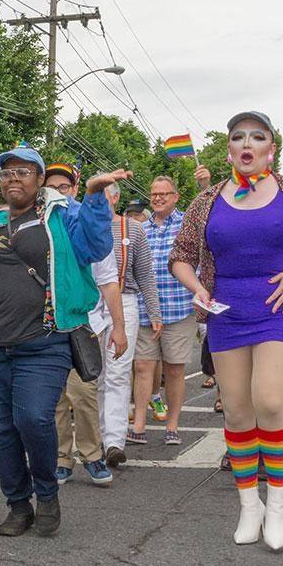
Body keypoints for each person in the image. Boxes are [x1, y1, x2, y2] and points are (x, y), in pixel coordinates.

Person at [170, 111, 283, 549]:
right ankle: (250, 504)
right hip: (227, 310)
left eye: (257, 136)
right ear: (229, 148)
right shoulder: (207, 201)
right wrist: (196, 288)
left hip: (279, 307)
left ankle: (278, 504)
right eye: (238, 136)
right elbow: (181, 255)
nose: (247, 143)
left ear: (270, 148)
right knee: (239, 412)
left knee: (269, 398)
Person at [0, 145, 117, 537]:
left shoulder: (61, 215)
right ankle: (18, 504)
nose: (14, 178)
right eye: (7, 172)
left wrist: (92, 196)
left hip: (44, 341)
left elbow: (95, 246)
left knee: (34, 418)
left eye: (24, 171)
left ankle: (47, 493)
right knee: (2, 429)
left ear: (39, 181)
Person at [42, 164, 126, 485]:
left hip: (84, 325)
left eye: (64, 186)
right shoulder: (40, 225)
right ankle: (62, 458)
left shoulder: (86, 223)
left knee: (83, 393)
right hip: (48, 325)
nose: (57, 192)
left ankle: (92, 455)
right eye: (50, 186)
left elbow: (108, 283)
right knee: (56, 398)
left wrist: (118, 327)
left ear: (75, 189)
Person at [96, 182, 160, 467]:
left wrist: (154, 312)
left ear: (115, 197)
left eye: (102, 195)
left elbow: (145, 273)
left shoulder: (132, 229)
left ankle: (114, 441)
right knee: (92, 375)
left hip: (125, 301)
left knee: (119, 372)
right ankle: (96, 435)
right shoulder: (79, 228)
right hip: (88, 304)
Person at [128, 176, 195, 446]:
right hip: (145, 308)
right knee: (143, 366)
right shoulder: (141, 228)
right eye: (154, 194)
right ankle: (140, 424)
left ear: (176, 197)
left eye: (164, 194)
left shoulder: (187, 225)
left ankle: (172, 425)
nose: (158, 198)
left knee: (175, 369)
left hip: (179, 306)